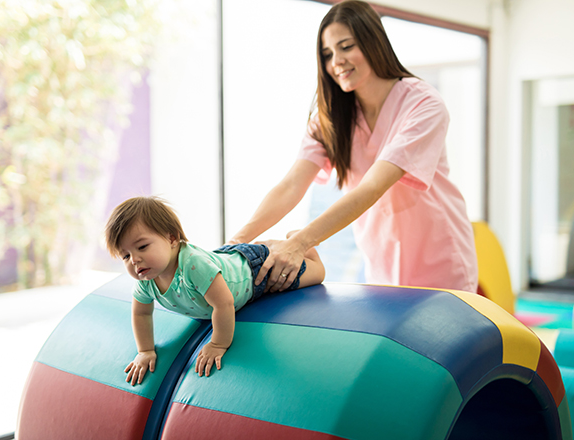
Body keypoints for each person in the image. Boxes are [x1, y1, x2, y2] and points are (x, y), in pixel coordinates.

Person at [228, 0, 477, 294]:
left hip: (439, 259)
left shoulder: (423, 104)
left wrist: (301, 243)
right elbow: (292, 185)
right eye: (327, 53)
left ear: (373, 43)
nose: (336, 62)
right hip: (381, 262)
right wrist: (235, 244)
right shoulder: (331, 119)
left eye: (346, 47)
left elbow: (373, 186)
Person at [104, 196, 325, 385]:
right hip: (221, 259)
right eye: (125, 255)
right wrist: (145, 351)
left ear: (171, 238)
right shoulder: (146, 278)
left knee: (314, 275)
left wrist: (218, 343)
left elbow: (223, 303)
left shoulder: (193, 265)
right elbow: (141, 313)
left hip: (251, 272)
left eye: (142, 247)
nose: (135, 260)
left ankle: (303, 247)